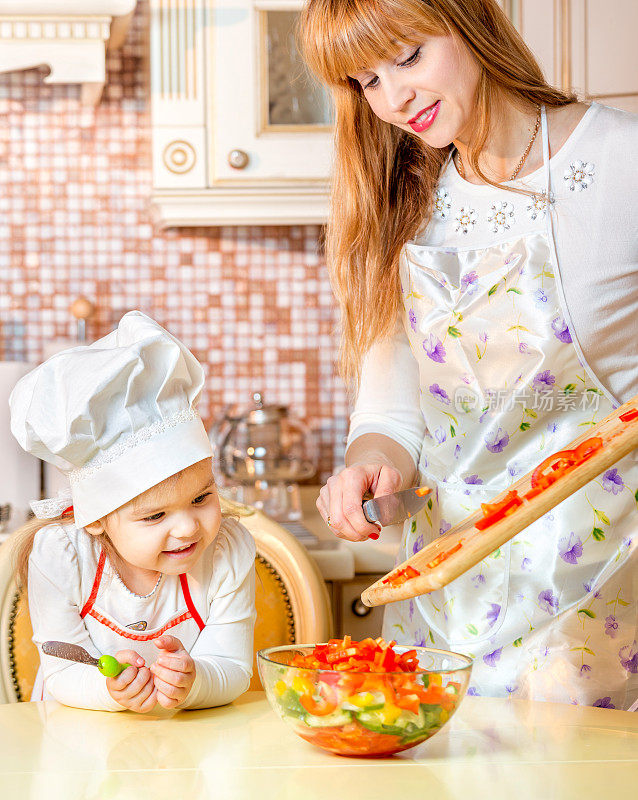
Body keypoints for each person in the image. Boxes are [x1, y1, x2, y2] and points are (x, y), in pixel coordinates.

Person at [299, 0, 638, 709]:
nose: (394, 98)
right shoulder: (407, 206)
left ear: (470, 22)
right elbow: (393, 414)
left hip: (602, 583)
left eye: (408, 56)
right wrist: (372, 465)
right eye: (366, 81)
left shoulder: (618, 162)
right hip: (450, 587)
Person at [10, 311, 256, 712]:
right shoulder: (62, 556)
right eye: (155, 516)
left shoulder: (226, 551)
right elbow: (61, 672)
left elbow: (232, 666)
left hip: (187, 748)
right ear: (97, 520)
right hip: (76, 748)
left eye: (201, 498)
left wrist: (195, 682)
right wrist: (109, 691)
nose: (188, 527)